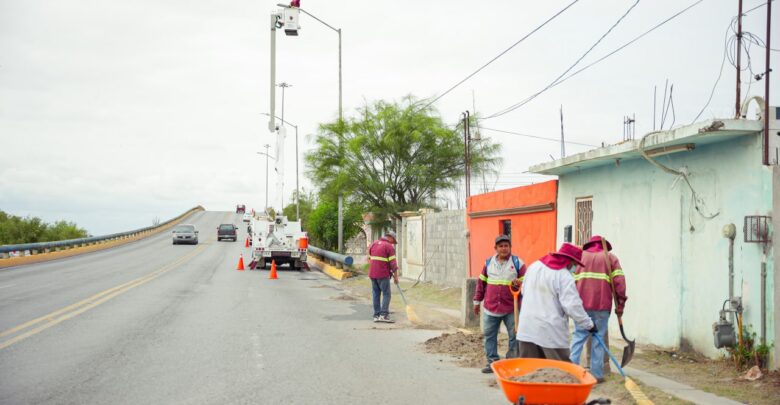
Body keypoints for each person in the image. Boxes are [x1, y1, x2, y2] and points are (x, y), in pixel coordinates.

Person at [516, 243, 596, 361]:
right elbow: (572, 306)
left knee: (530, 372)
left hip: (527, 329)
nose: (574, 268)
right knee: (561, 372)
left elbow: (523, 291)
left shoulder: (534, 266)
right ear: (569, 261)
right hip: (551, 333)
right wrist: (589, 325)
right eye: (574, 264)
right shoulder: (564, 276)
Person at [570, 235, 627, 383]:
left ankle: (570, 372)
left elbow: (569, 281)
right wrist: (620, 305)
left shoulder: (580, 257)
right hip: (602, 305)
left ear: (589, 245)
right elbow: (619, 283)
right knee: (598, 338)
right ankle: (596, 374)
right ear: (604, 246)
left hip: (581, 305)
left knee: (578, 337)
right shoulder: (610, 258)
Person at [472, 235, 526, 374]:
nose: (504, 248)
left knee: (515, 336)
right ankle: (492, 362)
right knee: (489, 336)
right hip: (491, 308)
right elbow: (481, 283)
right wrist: (477, 301)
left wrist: (520, 287)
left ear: (510, 247)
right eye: (501, 246)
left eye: (506, 246)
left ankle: (511, 363)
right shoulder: (488, 263)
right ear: (495, 248)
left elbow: (526, 284)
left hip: (511, 308)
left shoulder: (518, 263)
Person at [368, 230, 399, 323]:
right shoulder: (389, 246)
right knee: (386, 294)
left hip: (372, 274)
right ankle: (384, 315)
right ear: (390, 237)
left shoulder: (374, 244)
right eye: (393, 241)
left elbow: (370, 257)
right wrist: (396, 277)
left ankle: (376, 315)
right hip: (382, 274)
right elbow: (393, 263)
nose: (393, 243)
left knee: (376, 294)